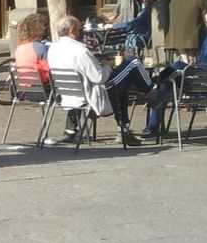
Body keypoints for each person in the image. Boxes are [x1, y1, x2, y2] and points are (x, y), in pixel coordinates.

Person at [143, 3, 207, 136]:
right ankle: (152, 127)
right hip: (198, 78)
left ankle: (149, 85)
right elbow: (201, 59)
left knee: (178, 67)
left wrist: (197, 72)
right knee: (164, 86)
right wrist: (195, 70)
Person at [48, 15, 142, 146]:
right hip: (89, 95)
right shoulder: (80, 51)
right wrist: (108, 66)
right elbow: (99, 77)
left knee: (117, 82)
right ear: (72, 31)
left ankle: (70, 130)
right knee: (128, 70)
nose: (83, 32)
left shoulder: (53, 49)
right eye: (80, 29)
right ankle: (123, 130)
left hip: (67, 93)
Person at [13, 12, 52, 81]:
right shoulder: (40, 47)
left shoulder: (19, 48)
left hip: (23, 85)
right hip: (40, 85)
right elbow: (48, 69)